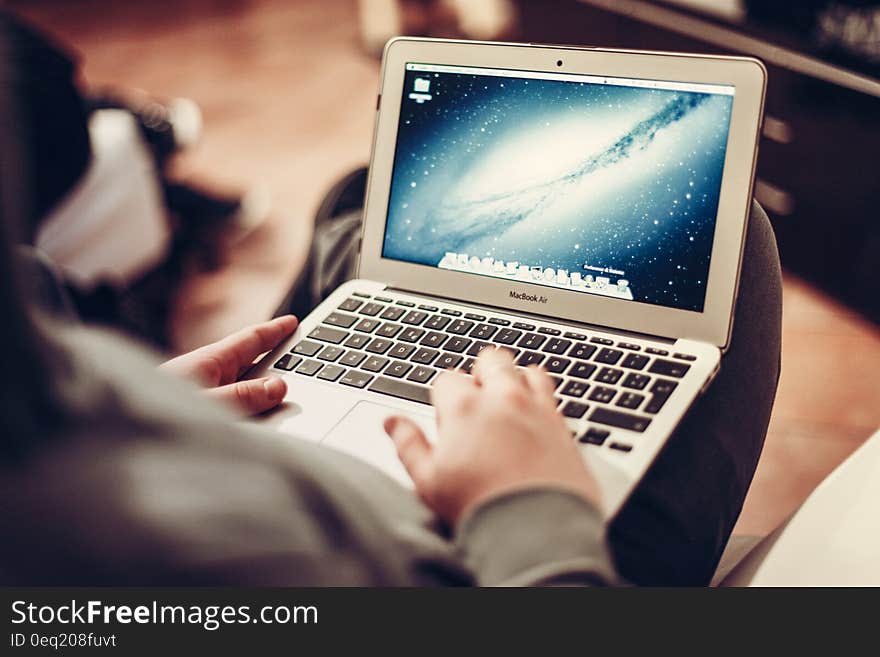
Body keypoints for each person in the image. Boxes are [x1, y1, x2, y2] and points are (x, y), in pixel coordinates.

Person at [0, 15, 782, 586]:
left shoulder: (40, 446)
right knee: (737, 233)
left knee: (356, 206)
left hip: (236, 464)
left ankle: (361, 322)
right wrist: (529, 508)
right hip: (496, 553)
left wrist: (127, 418)